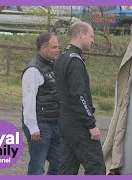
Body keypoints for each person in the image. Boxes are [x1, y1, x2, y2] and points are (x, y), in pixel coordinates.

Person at [54, 22, 106, 175]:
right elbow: (78, 96)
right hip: (78, 124)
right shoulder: (75, 61)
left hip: (64, 121)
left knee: (67, 169)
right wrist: (91, 124)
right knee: (96, 168)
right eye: (91, 36)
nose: (93, 40)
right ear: (81, 34)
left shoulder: (62, 57)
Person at [22, 32, 61, 175]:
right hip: (40, 125)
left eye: (58, 46)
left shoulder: (53, 66)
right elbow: (28, 100)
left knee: (59, 163)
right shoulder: (33, 70)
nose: (58, 49)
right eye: (54, 47)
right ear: (43, 48)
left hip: (55, 123)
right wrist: (33, 127)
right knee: (37, 167)